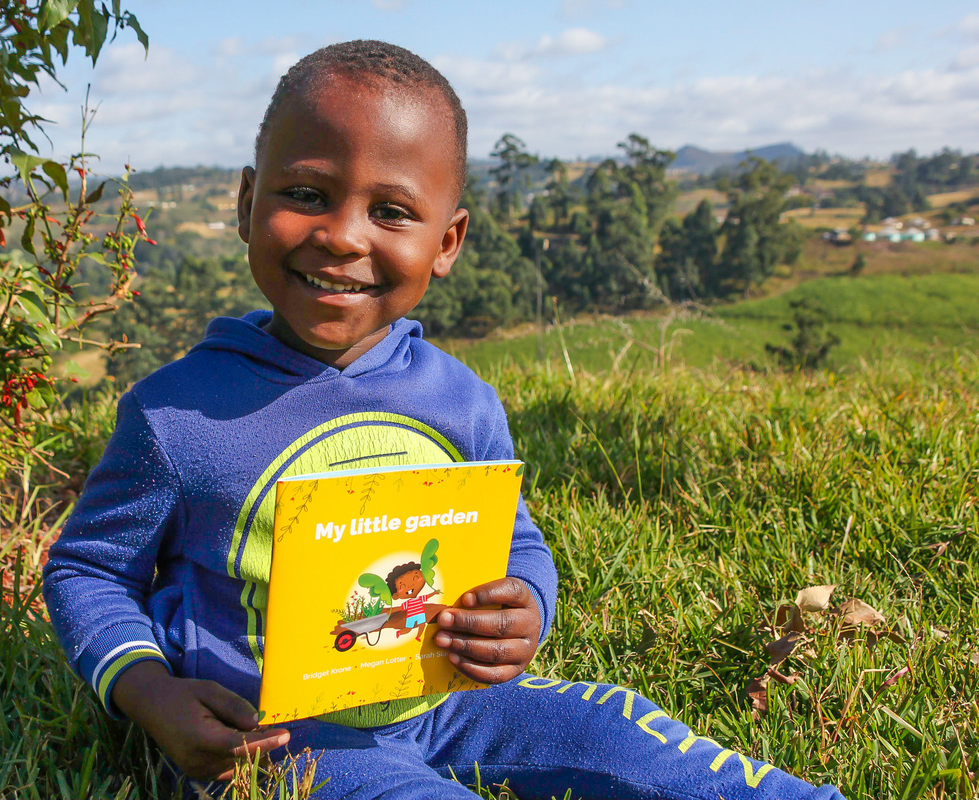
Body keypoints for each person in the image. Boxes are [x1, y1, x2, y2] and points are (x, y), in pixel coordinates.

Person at [43, 40, 847, 800]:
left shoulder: (461, 400)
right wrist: (149, 694)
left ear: (447, 241)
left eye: (391, 211)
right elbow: (90, 570)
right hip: (279, 744)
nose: (342, 235)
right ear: (249, 202)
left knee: (621, 732)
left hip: (454, 695)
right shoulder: (175, 414)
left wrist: (525, 605)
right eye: (305, 195)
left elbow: (515, 541)